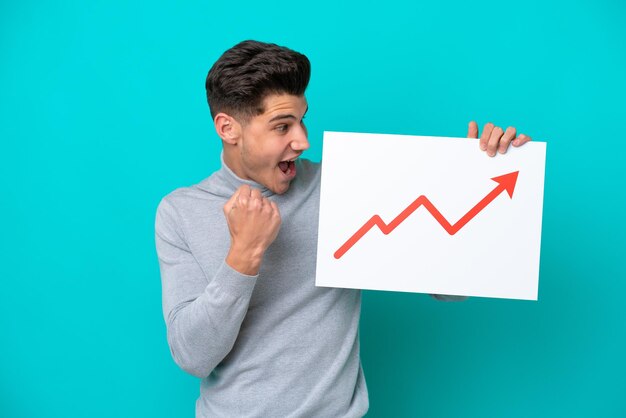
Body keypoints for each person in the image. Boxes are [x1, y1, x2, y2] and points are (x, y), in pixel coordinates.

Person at [154, 40, 532, 417]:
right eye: (282, 126)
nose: (302, 140)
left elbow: (449, 289)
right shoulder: (180, 212)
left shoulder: (346, 184)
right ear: (228, 128)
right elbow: (192, 356)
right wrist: (243, 256)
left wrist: (476, 179)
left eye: (302, 120)